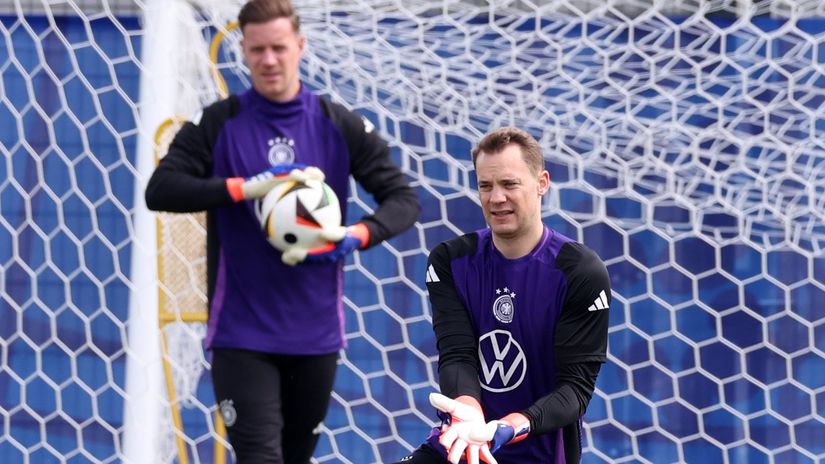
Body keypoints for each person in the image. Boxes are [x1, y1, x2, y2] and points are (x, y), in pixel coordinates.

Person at [144, 0, 419, 462]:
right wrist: (245, 188)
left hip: (315, 337)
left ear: (300, 46)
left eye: (278, 48)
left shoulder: (338, 124)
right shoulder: (219, 123)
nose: (268, 60)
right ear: (244, 52)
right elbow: (161, 189)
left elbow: (404, 200)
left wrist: (356, 236)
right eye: (257, 50)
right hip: (241, 334)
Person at [395, 127, 610, 464]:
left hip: (537, 452)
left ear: (542, 183)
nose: (496, 198)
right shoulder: (450, 260)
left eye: (509, 184)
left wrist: (506, 428)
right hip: (463, 442)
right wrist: (469, 415)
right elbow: (457, 354)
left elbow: (574, 390)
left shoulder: (580, 271)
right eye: (485, 186)